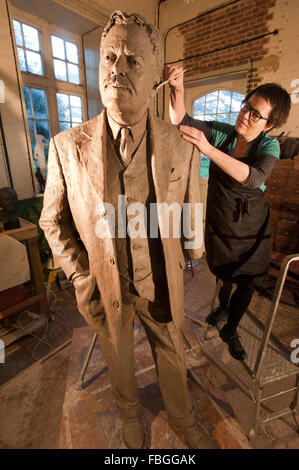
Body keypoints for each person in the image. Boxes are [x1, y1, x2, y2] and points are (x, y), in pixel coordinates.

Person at [40, 11, 216, 449]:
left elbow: (192, 202)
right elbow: (52, 219)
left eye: (133, 60)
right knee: (116, 352)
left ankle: (183, 415)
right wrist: (79, 272)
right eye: (110, 57)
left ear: (157, 75)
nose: (117, 69)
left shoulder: (181, 143)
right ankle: (128, 414)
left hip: (159, 276)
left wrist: (191, 252)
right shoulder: (67, 146)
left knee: (171, 346)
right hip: (103, 279)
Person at [164, 65, 291, 361]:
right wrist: (177, 89)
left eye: (255, 114)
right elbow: (182, 122)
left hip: (251, 227)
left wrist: (209, 151)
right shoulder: (224, 134)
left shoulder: (269, 145)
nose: (245, 115)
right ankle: (222, 309)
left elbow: (255, 178)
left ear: (268, 125)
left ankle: (231, 329)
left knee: (247, 280)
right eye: (246, 106)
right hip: (222, 219)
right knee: (224, 274)